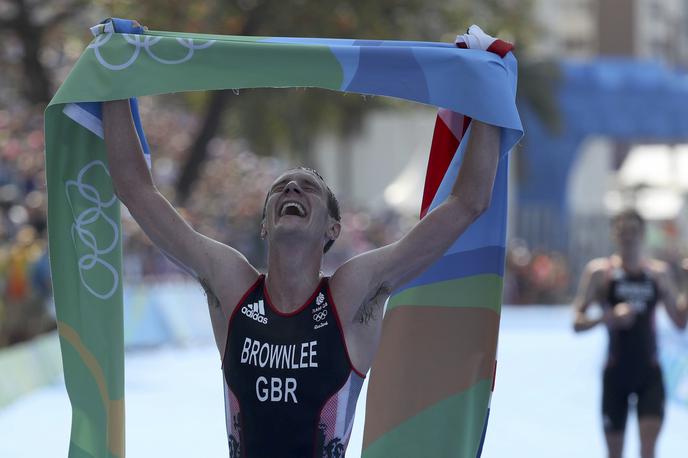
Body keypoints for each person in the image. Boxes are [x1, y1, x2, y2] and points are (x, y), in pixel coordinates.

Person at [103, 26, 505, 458]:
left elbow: (467, 203)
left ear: (333, 228)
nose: (292, 189)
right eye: (281, 187)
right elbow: (136, 190)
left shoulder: (353, 293)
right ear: (264, 225)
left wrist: (486, 88)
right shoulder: (232, 285)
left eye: (306, 187)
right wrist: (112, 72)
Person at [573, 209, 688, 458]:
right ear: (615, 235)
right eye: (623, 232)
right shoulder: (601, 273)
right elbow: (577, 323)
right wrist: (608, 317)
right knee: (615, 454)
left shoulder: (658, 274)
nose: (629, 238)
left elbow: (679, 322)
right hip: (616, 374)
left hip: (650, 373)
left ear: (643, 234)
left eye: (633, 232)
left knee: (648, 451)